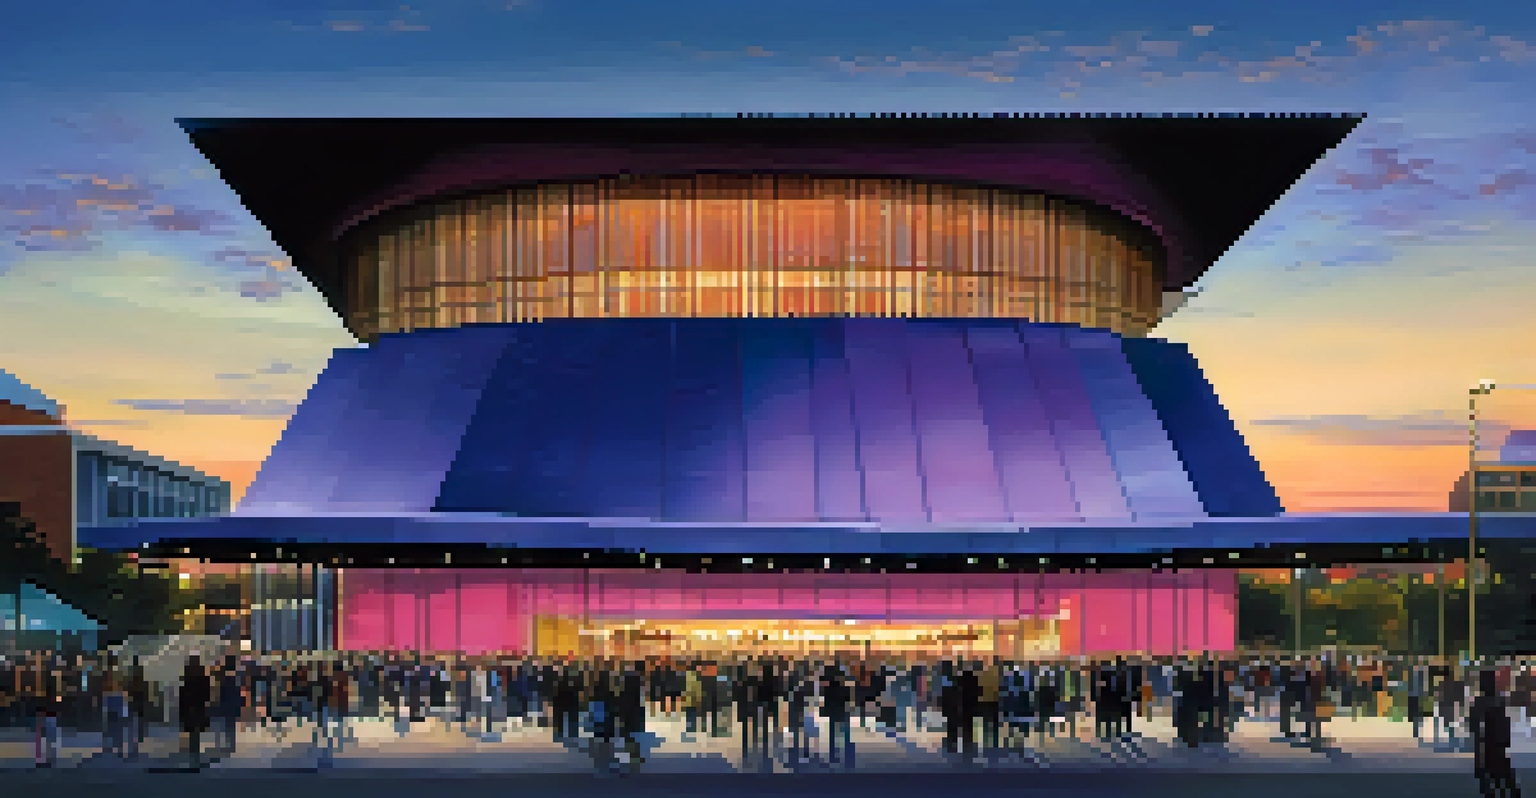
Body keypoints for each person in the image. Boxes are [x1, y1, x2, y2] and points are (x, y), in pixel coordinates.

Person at [1471, 668, 1522, 798]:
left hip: (1488, 744)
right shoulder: (1499, 701)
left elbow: (1476, 729)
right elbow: (1504, 722)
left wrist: (1478, 757)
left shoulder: (1480, 703)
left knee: (1490, 780)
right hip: (1498, 743)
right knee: (1505, 777)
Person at [180, 654, 212, 767]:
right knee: (196, 732)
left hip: (189, 708)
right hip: (199, 707)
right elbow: (207, 695)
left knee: (192, 732)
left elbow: (182, 695)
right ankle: (195, 755)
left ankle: (193, 755)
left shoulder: (186, 677)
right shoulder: (203, 677)